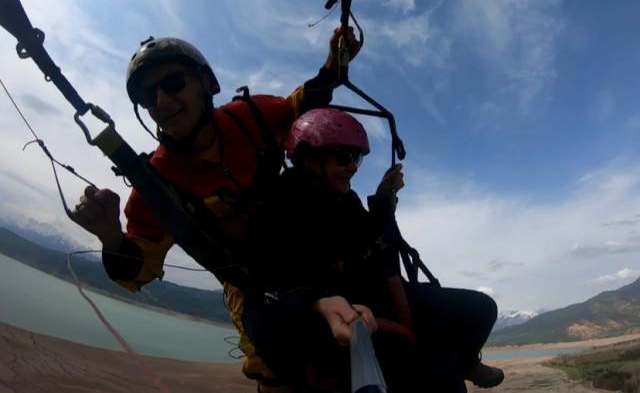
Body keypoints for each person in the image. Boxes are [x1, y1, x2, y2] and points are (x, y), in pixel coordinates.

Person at [70, 30, 361, 389]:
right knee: (276, 367)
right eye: (148, 96)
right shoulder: (157, 185)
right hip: (250, 285)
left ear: (206, 83)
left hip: (301, 246)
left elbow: (299, 107)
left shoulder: (248, 118)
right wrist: (110, 235)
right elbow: (137, 271)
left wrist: (335, 64)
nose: (161, 101)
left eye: (173, 83)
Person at [242, 108, 505, 392]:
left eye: (357, 158)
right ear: (309, 156)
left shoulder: (345, 200)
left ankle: (465, 362)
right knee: (444, 382)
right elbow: (265, 291)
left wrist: (382, 198)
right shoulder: (277, 206)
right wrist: (314, 304)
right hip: (336, 328)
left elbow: (373, 237)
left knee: (481, 309)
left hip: (378, 298)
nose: (353, 167)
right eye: (344, 156)